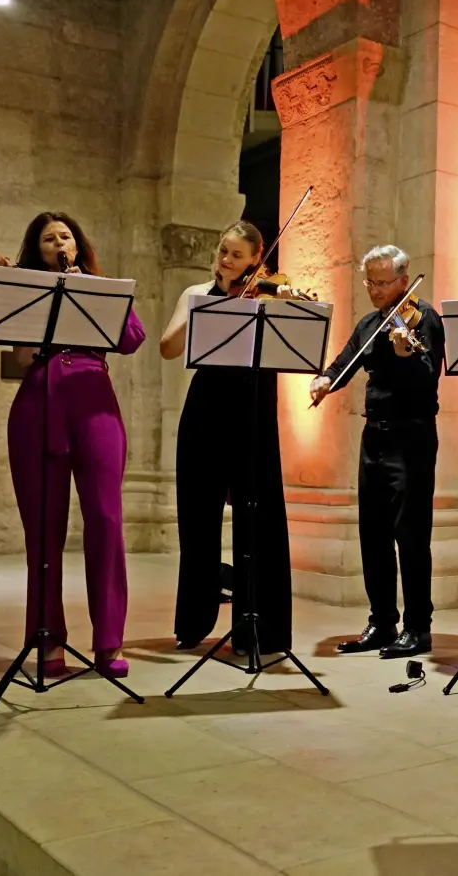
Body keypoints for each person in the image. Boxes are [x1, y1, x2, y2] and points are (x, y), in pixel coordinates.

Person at [1, 212, 144, 678]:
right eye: (48, 238)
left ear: (77, 245)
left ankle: (108, 642)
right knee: (43, 528)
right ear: (36, 250)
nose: (58, 242)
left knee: (105, 519)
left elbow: (132, 340)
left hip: (94, 403)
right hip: (38, 404)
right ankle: (46, 640)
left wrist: (90, 294)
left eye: (65, 235)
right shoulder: (27, 293)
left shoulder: (100, 286)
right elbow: (19, 357)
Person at [159, 221, 303, 655]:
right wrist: (207, 312)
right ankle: (195, 619)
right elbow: (168, 347)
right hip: (206, 409)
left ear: (256, 259)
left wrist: (287, 305)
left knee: (259, 519)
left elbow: (294, 340)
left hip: (253, 410)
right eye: (224, 251)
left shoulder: (267, 294)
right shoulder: (196, 293)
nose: (226, 261)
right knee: (198, 517)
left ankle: (261, 628)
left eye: (237, 255)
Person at [312, 246, 445, 659]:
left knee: (411, 534)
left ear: (405, 280)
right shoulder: (371, 322)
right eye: (369, 281)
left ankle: (418, 628)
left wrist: (406, 355)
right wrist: (325, 380)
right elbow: (345, 362)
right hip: (376, 437)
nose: (373, 289)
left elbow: (427, 381)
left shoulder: (425, 321)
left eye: (382, 282)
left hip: (413, 437)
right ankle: (382, 622)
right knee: (373, 534)